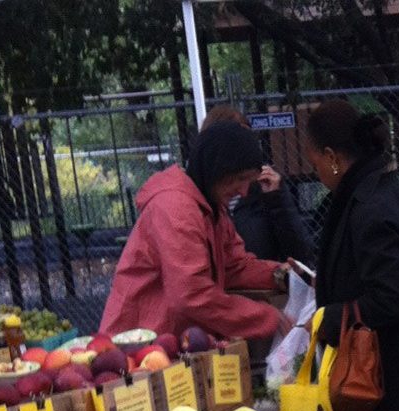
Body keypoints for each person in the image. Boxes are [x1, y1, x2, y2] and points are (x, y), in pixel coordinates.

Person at [305, 100, 399, 411]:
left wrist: (329, 317)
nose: (317, 173)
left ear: (332, 157)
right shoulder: (394, 194)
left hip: (382, 386)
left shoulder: (369, 207)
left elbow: (389, 296)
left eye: (315, 163)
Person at [100, 121, 291, 340]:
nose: (244, 191)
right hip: (136, 348)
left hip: (170, 343)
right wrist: (267, 318)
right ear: (216, 169)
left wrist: (283, 274)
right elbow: (191, 294)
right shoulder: (176, 208)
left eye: (248, 182)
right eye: (239, 179)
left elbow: (234, 266)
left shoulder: (211, 206)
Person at [200, 105, 314, 264]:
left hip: (262, 283)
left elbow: (302, 255)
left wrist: (277, 200)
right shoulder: (198, 198)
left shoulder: (265, 187)